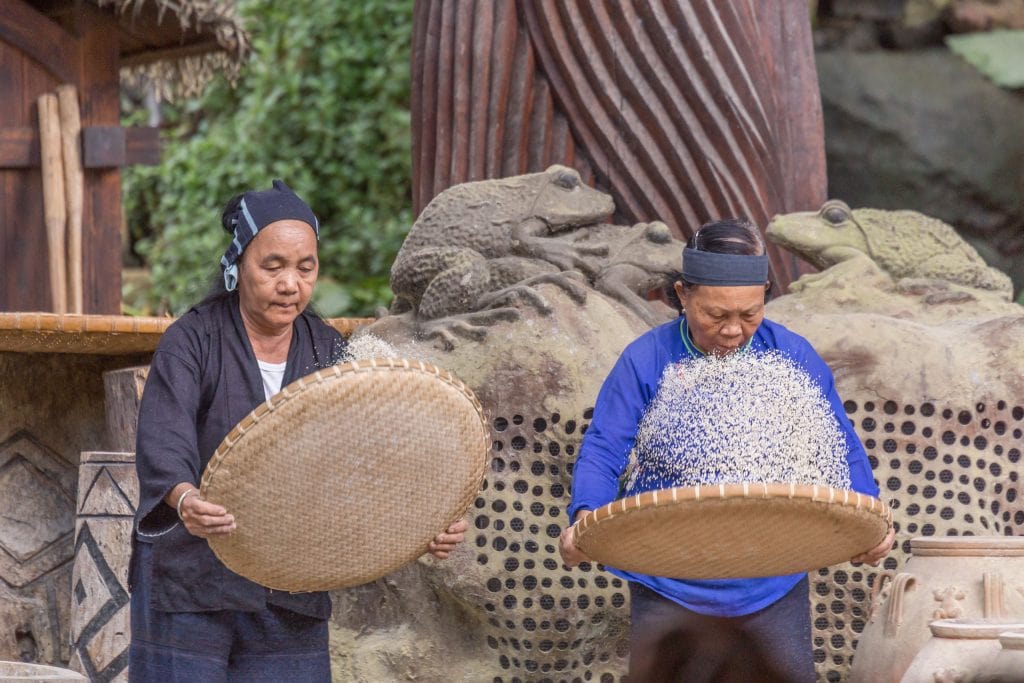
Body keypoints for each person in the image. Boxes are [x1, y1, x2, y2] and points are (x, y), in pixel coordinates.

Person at [128, 180, 468, 681]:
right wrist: (184, 500)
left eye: (305, 268)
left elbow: (367, 459)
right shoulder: (192, 340)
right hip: (193, 586)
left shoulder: (328, 351)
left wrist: (423, 523)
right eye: (273, 267)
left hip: (290, 586)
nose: (291, 284)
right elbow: (164, 441)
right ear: (238, 264)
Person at [558, 218, 895, 681]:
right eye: (715, 315)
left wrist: (868, 518)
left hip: (772, 575)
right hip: (668, 576)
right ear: (682, 295)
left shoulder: (791, 356)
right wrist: (586, 516)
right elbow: (604, 445)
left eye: (750, 313)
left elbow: (838, 444)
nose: (734, 330)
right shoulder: (646, 359)